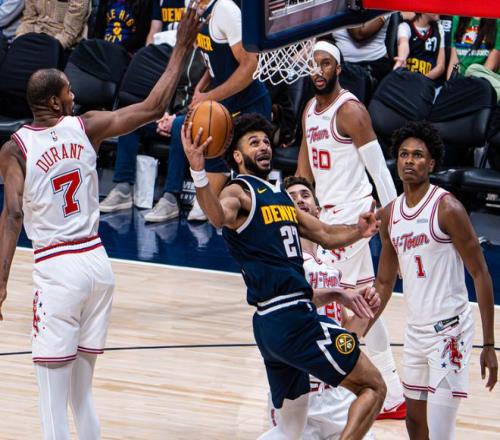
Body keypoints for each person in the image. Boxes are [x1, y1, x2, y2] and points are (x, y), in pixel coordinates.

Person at [0, 5, 203, 439]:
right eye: (68, 91)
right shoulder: (87, 126)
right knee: (82, 396)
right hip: (97, 264)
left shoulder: (15, 149)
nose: (74, 96)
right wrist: (181, 48)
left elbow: (13, 213)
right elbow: (154, 106)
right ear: (53, 102)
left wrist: (0, 282)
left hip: (57, 268)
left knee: (52, 402)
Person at [182, 112, 386, 439]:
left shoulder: (281, 198)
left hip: (273, 324)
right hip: (293, 320)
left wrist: (359, 230)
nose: (264, 147)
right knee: (373, 386)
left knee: (290, 430)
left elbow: (325, 233)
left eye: (266, 141)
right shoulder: (239, 191)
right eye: (253, 143)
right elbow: (218, 217)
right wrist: (198, 171)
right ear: (238, 156)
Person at [296, 40, 406, 420]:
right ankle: (392, 395)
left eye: (326, 63)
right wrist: (295, 207)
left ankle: (331, 391)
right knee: (363, 302)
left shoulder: (351, 111)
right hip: (328, 218)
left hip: (355, 218)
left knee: (331, 300)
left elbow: (380, 173)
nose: (319, 70)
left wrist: (396, 227)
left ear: (338, 68)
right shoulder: (309, 110)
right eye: (314, 64)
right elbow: (304, 170)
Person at [373, 120, 498, 440]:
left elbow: (480, 273)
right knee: (414, 424)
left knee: (441, 430)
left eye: (417, 155)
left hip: (450, 331)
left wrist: (488, 344)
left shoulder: (447, 208)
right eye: (404, 154)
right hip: (415, 331)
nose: (409, 160)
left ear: (431, 164)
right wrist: (363, 325)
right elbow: (384, 283)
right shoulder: (390, 214)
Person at [265, 175, 374, 440]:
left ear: (317, 210)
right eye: (291, 197)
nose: (299, 200)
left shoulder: (330, 270)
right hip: (301, 390)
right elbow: (288, 305)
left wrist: (363, 311)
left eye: (305, 195)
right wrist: (337, 294)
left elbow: (347, 336)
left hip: (335, 391)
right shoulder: (280, 260)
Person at [447, 17, 499, 100]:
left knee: (473, 69)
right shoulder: (458, 18)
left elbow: (491, 66)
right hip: (461, 83)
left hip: (484, 84)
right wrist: (449, 88)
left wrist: (471, 90)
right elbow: (453, 62)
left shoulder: (497, 20)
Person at [16, 0, 91, 49]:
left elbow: (69, 33)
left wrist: (52, 48)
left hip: (61, 42)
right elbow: (29, 19)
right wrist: (20, 37)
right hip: (36, 35)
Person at [394, 13, 446, 82]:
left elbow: (441, 66)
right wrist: (402, 58)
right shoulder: (405, 26)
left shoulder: (439, 28)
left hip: (428, 81)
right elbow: (403, 43)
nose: (439, 10)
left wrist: (421, 80)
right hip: (406, 80)